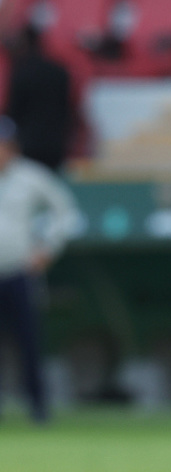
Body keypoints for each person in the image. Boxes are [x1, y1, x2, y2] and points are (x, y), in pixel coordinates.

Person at [0, 115, 80, 423]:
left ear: (13, 147)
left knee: (29, 342)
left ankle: (38, 406)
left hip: (19, 271)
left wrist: (47, 249)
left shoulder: (30, 177)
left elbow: (65, 211)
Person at [3, 25, 73, 172]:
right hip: (56, 143)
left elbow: (14, 111)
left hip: (28, 144)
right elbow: (68, 108)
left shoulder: (21, 73)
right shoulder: (59, 71)